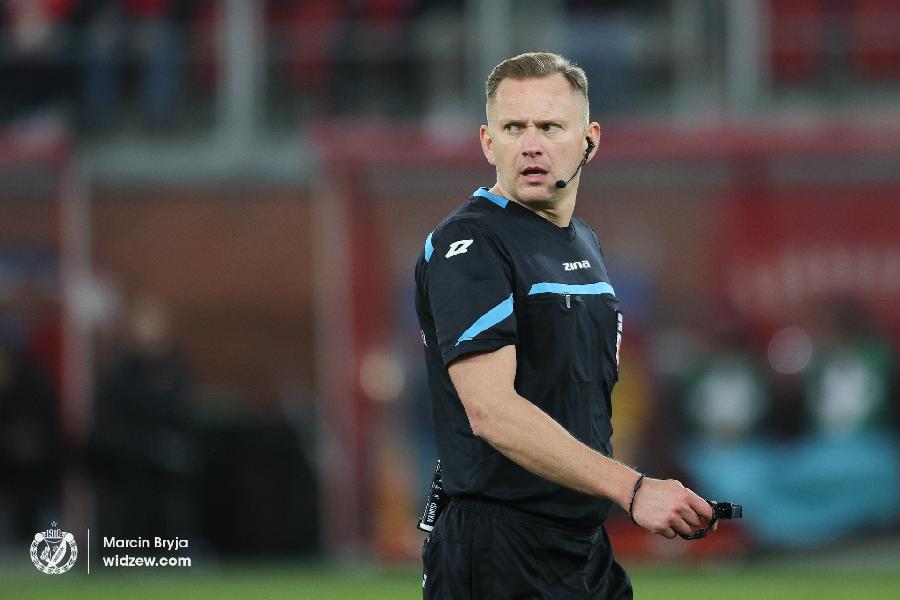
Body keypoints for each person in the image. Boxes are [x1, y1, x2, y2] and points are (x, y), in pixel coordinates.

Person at [414, 52, 716, 599]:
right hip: (497, 551)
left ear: (589, 140)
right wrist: (634, 489)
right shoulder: (471, 245)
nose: (531, 144)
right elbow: (491, 412)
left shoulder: (585, 242)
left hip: (581, 544)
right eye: (514, 127)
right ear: (488, 143)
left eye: (550, 127)